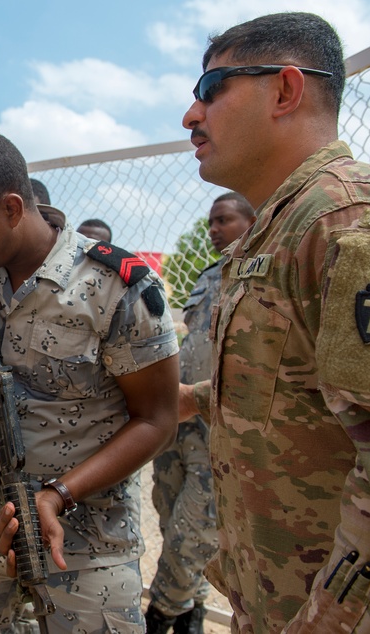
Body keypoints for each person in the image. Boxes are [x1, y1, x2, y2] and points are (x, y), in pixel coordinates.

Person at [178, 12, 370, 633]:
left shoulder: (348, 222)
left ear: (285, 90)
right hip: (271, 603)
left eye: (210, 90)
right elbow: (301, 388)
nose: (190, 116)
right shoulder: (278, 229)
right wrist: (195, 399)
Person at [0, 129, 180, 633]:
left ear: (11, 208)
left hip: (85, 529)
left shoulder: (116, 286)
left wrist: (59, 495)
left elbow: (157, 421)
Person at [145, 192, 255, 634]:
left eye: (223, 220)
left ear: (253, 220)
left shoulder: (264, 275)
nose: (213, 230)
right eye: (211, 221)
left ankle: (156, 617)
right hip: (179, 423)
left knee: (191, 537)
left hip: (218, 425)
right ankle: (190, 616)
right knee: (171, 518)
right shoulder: (209, 277)